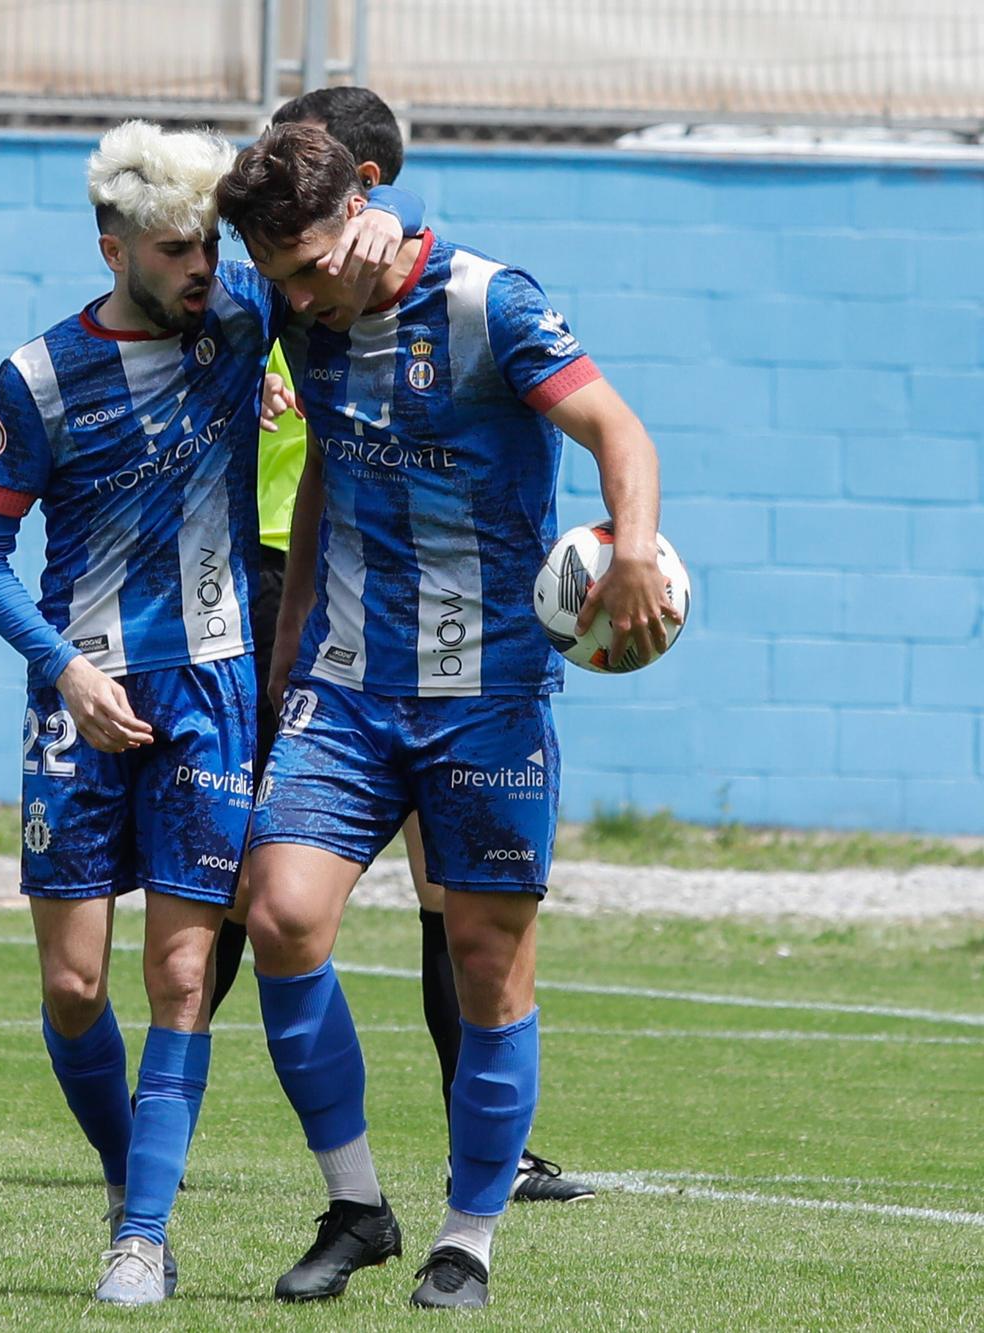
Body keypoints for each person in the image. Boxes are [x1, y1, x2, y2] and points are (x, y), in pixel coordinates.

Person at [215, 123, 677, 1309]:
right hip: (349, 685)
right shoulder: (300, 317)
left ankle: (467, 1237)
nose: (299, 294)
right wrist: (286, 646)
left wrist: (629, 555)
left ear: (367, 200)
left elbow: (618, 430)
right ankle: (357, 1204)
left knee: (485, 963)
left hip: (490, 696)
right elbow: (319, 467)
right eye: (278, 279)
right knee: (278, 914)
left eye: (312, 265)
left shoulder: (490, 305)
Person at [0, 120, 415, 1308]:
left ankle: (141, 1237)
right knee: (70, 987)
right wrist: (62, 668)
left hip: (210, 691)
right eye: (173, 250)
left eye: (208, 246)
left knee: (175, 974)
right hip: (80, 697)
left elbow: (346, 264)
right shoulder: (39, 376)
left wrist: (371, 218)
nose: (201, 269)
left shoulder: (242, 329)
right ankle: (126, 1180)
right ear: (110, 245)